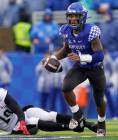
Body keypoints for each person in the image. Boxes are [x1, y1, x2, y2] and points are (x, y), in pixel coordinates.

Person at [42, 2, 106, 136]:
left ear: (83, 17)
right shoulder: (65, 30)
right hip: (81, 67)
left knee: (98, 98)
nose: (73, 19)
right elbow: (65, 50)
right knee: (66, 87)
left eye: (76, 16)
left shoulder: (91, 30)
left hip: (95, 67)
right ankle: (77, 115)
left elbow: (100, 55)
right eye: (70, 16)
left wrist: (81, 57)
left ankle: (101, 123)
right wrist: (52, 58)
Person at [0, 86, 97, 135]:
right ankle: (71, 127)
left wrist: (22, 120)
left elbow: (15, 106)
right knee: (35, 121)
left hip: (21, 116)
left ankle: (86, 123)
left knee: (49, 115)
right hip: (15, 127)